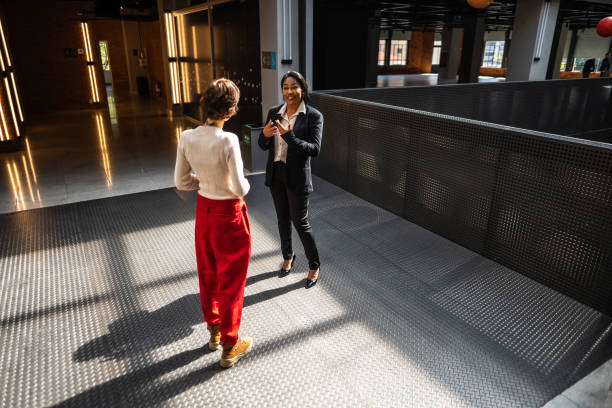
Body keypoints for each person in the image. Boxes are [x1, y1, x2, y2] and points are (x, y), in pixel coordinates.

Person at [174, 78, 253, 368]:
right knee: (232, 279)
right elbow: (240, 188)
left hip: (204, 211)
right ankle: (232, 346)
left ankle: (214, 332)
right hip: (229, 214)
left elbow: (181, 181)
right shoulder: (228, 140)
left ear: (205, 105)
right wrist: (228, 182)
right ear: (231, 111)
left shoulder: (187, 137)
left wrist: (205, 181)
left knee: (208, 274)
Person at [258, 71, 323, 289]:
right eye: (285, 87)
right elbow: (262, 143)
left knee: (300, 222)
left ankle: (314, 265)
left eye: (294, 87)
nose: (289, 91)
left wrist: (290, 137)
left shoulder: (313, 116)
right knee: (282, 219)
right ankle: (288, 256)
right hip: (276, 173)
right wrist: (265, 135)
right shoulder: (274, 112)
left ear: (302, 89)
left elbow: (314, 149)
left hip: (297, 177)